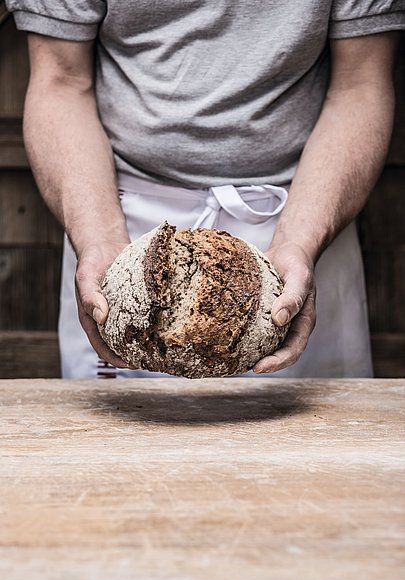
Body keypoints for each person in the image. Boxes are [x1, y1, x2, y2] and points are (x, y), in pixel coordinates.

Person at [6, 1, 405, 379]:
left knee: (304, 446)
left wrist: (300, 243)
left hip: (306, 216)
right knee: (121, 448)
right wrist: (97, 237)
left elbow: (360, 84)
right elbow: (61, 80)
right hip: (122, 239)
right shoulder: (111, 248)